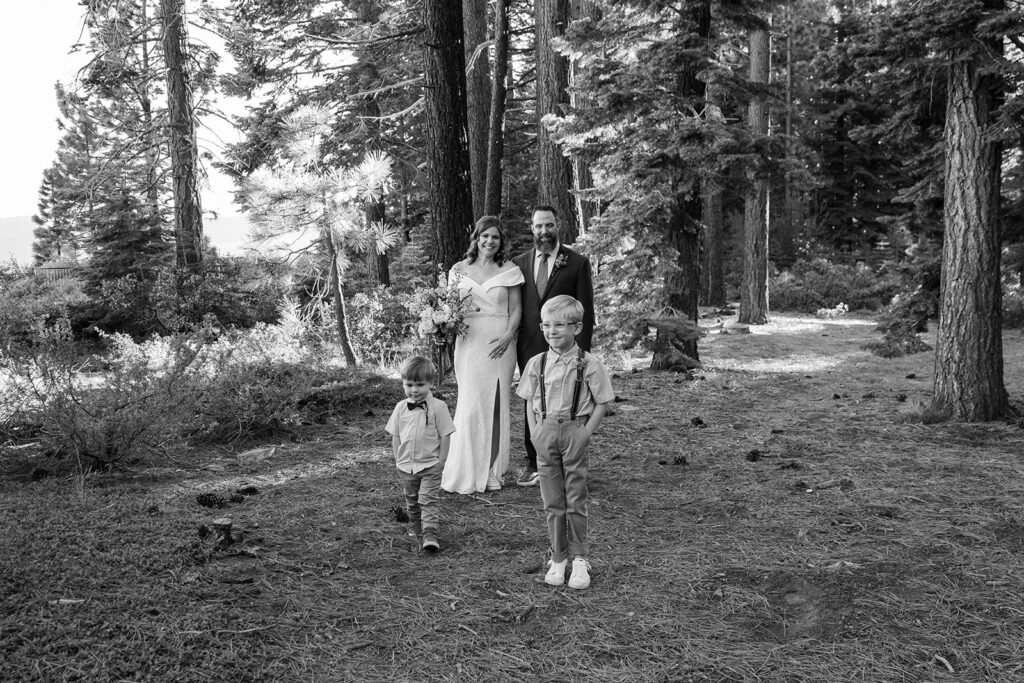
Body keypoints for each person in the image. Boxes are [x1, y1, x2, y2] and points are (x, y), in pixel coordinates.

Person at [516, 295, 614, 590]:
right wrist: (535, 432)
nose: (551, 330)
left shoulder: (590, 363)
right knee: (552, 501)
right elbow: (530, 401)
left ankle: (580, 559)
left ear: (577, 327)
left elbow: (602, 402)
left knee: (575, 499)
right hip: (545, 433)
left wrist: (585, 433)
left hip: (574, 431)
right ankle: (558, 558)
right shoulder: (537, 363)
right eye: (546, 325)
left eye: (559, 325)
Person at [441, 216, 525, 494]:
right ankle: (466, 467)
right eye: (484, 236)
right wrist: (441, 324)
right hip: (469, 341)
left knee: (496, 403)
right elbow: (448, 308)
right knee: (470, 403)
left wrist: (508, 335)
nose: (489, 241)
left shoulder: (509, 270)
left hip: (500, 342)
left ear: (501, 242)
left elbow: (516, 310)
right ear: (476, 238)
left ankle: (491, 469)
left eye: (495, 237)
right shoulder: (458, 270)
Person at [513, 205, 595, 487]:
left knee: (566, 401)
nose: (543, 231)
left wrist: (581, 354)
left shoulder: (576, 262)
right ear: (531, 228)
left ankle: (567, 460)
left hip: (565, 348)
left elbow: (586, 312)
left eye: (548, 225)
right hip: (529, 345)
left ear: (557, 225)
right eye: (538, 226)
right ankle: (532, 459)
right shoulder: (519, 263)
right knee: (532, 401)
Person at [385, 356, 456, 553]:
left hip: (430, 464)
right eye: (409, 384)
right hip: (406, 465)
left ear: (430, 383)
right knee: (412, 498)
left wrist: (442, 461)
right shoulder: (400, 407)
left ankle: (430, 534)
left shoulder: (439, 407)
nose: (414, 390)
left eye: (420, 384)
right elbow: (396, 435)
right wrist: (398, 459)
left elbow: (445, 435)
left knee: (428, 499)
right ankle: (415, 525)